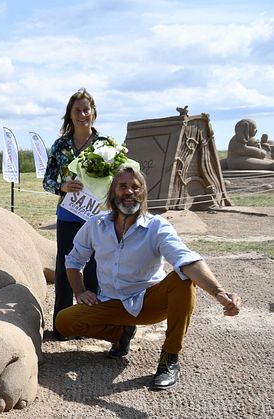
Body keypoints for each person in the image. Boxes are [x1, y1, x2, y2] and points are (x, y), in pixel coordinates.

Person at [55, 166, 242, 390]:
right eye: (122, 186)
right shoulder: (96, 225)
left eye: (135, 187)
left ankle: (169, 359)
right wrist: (80, 291)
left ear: (143, 193)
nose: (129, 192)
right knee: (64, 322)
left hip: (149, 302)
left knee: (182, 279)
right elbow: (74, 260)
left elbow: (186, 259)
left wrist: (219, 293)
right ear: (113, 191)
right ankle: (121, 333)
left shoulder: (156, 226)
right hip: (111, 303)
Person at [42, 88, 103, 340]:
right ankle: (63, 325)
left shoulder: (105, 145)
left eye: (86, 109)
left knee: (94, 269)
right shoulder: (60, 146)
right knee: (66, 267)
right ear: (70, 114)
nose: (82, 114)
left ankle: (91, 324)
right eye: (77, 110)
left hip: (96, 217)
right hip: (68, 215)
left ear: (93, 113)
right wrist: (62, 186)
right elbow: (47, 180)